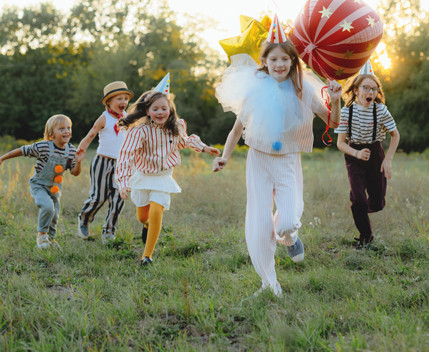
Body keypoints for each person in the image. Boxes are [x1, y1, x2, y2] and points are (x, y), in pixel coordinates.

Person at [213, 15, 342, 297]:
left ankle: (290, 238)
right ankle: (269, 284)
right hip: (258, 160)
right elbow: (236, 130)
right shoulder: (255, 89)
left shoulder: (304, 90)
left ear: (293, 61)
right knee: (259, 226)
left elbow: (333, 123)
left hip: (287, 161)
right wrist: (224, 157)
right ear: (265, 62)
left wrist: (335, 100)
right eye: (274, 59)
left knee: (287, 221)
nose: (279, 64)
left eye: (285, 59)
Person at [115, 74, 219, 266]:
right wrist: (123, 182)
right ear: (148, 111)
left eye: (164, 108)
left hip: (163, 176)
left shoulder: (176, 127)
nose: (160, 112)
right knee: (143, 217)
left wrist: (204, 148)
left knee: (157, 211)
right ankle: (147, 226)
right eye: (155, 109)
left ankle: (147, 256)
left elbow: (185, 141)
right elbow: (126, 156)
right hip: (143, 175)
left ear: (170, 109)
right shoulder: (139, 131)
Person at [335, 62, 400, 250]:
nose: (370, 92)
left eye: (374, 89)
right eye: (366, 88)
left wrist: (388, 159)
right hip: (354, 155)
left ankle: (362, 208)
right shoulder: (347, 111)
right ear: (356, 90)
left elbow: (395, 135)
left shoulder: (380, 110)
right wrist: (356, 153)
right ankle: (365, 236)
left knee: (377, 203)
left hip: (376, 155)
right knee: (358, 199)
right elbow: (340, 143)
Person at [0, 114, 84, 249]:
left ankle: (51, 238)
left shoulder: (71, 151)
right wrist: (3, 158)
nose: (67, 131)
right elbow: (22, 150)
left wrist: (78, 162)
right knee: (47, 207)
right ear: (51, 134)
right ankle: (41, 235)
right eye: (62, 129)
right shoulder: (43, 147)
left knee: (54, 214)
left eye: (68, 128)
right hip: (39, 185)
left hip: (55, 188)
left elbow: (75, 173)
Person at [77, 81, 133, 243]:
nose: (123, 102)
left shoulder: (128, 118)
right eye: (119, 99)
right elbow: (91, 134)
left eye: (125, 99)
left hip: (122, 164)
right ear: (109, 102)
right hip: (102, 161)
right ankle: (84, 219)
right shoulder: (104, 118)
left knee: (119, 198)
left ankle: (109, 230)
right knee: (98, 197)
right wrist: (81, 149)